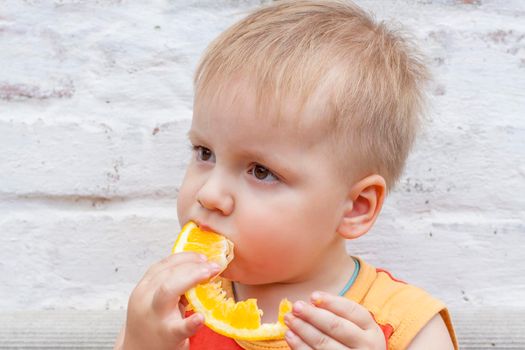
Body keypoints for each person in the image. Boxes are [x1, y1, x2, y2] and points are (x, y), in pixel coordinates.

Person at [114, 1, 458, 349]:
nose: (209, 194)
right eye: (205, 153)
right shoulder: (170, 309)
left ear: (355, 207)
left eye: (261, 171)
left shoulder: (405, 327)